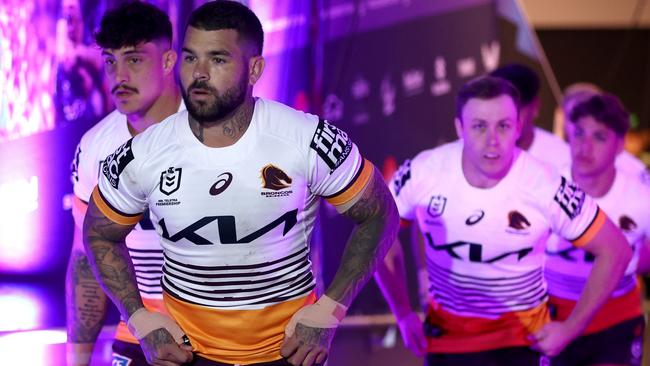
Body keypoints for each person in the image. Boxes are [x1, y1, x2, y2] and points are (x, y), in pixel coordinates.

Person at [81, 1, 399, 365]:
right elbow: (98, 233)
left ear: (255, 69)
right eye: (190, 58)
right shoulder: (143, 154)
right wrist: (140, 319)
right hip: (187, 353)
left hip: (287, 353)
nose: (199, 73)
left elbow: (379, 214)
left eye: (217, 59)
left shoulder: (305, 138)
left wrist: (329, 311)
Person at [375, 76, 631, 365]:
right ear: (459, 127)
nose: (492, 141)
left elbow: (616, 250)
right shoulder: (423, 172)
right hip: (446, 340)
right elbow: (373, 233)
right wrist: (403, 313)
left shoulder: (545, 183)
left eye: (504, 126)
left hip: (522, 343)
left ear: (519, 127)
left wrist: (571, 329)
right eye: (479, 126)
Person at [66, 2, 183, 365]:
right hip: (140, 328)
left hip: (224, 327)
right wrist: (77, 361)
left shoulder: (214, 132)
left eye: (134, 59)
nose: (119, 75)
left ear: (167, 61)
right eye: (110, 61)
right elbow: (86, 260)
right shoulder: (95, 147)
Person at [545, 93, 650, 366]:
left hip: (615, 322)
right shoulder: (544, 186)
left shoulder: (641, 197)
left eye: (599, 137)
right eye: (579, 133)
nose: (584, 146)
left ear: (619, 145)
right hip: (551, 318)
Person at [490, 63, 571, 168]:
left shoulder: (561, 158)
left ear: (535, 107)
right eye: (501, 108)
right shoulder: (474, 151)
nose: (507, 118)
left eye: (518, 108)